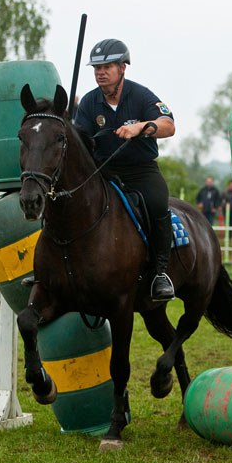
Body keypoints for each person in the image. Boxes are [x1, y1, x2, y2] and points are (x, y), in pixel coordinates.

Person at [74, 38, 176, 301]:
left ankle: (160, 273)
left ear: (122, 68)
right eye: (96, 67)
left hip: (141, 171)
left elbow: (168, 125)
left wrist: (140, 127)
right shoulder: (88, 102)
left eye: (107, 66)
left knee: (156, 203)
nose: (100, 72)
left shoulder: (141, 95)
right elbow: (80, 140)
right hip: (103, 173)